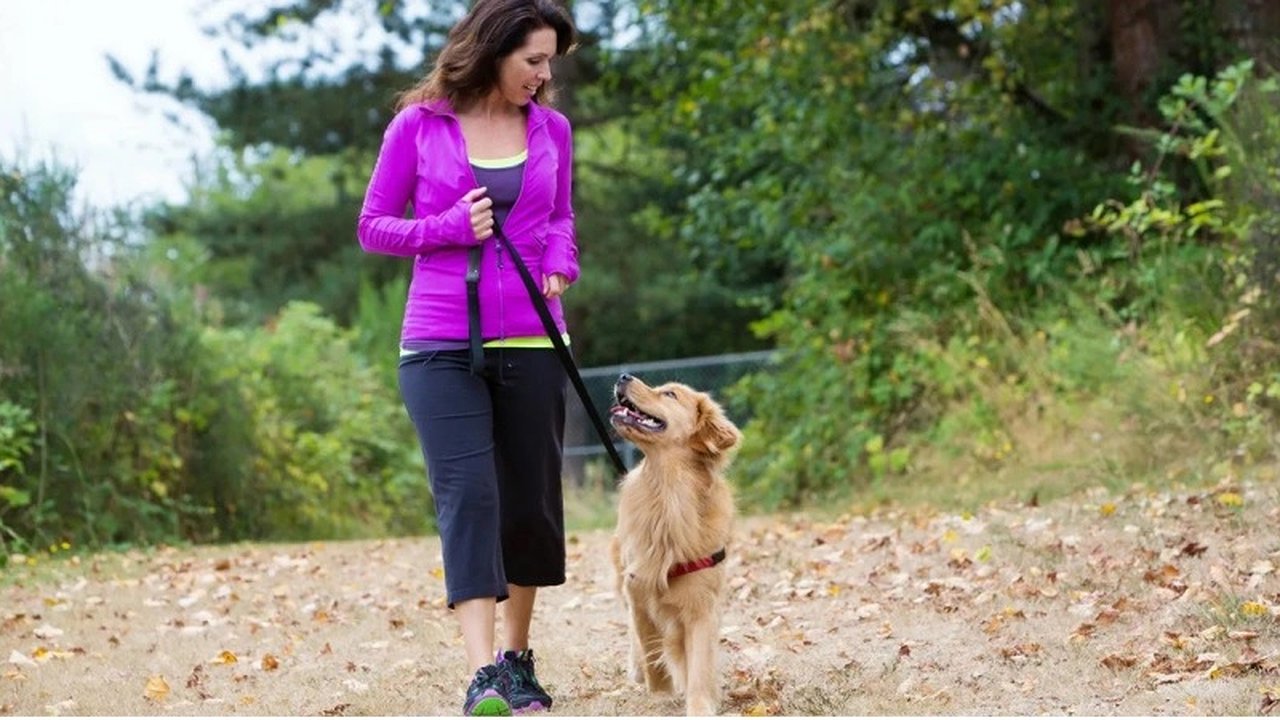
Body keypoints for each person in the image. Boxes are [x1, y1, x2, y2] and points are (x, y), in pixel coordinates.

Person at [355, 0, 578, 715]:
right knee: (470, 497)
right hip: (438, 341)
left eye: (550, 63)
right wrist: (447, 227)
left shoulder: (552, 130)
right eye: (533, 60)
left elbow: (562, 217)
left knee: (530, 506)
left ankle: (517, 659)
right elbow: (372, 226)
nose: (543, 77)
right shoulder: (419, 126)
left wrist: (562, 262)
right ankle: (483, 673)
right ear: (492, 49)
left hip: (533, 337)